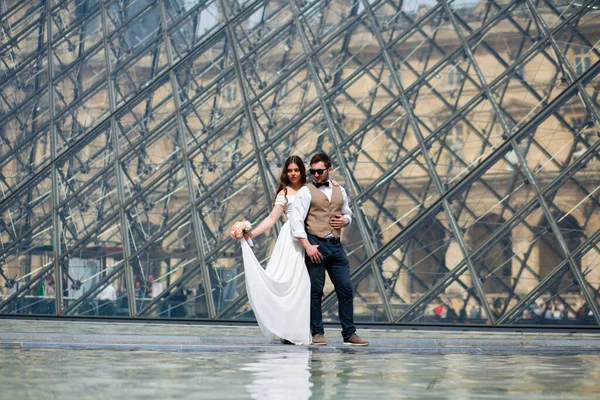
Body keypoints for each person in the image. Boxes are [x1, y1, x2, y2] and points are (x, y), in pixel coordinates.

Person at [290, 153, 369, 346]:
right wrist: (308, 246)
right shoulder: (305, 191)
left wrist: (345, 220)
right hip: (317, 245)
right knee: (316, 291)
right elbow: (296, 221)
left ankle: (349, 333)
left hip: (336, 245)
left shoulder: (339, 189)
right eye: (313, 171)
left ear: (329, 169)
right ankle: (317, 333)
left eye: (319, 171)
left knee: (346, 289)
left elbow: (348, 213)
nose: (315, 175)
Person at [240, 155, 312, 345]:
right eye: (290, 171)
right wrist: (251, 234)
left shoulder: (311, 188)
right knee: (292, 283)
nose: (293, 173)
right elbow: (272, 219)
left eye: (296, 170)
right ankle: (289, 331)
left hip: (311, 234)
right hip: (291, 241)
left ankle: (299, 330)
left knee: (304, 285)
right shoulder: (284, 193)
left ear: (302, 171)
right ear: (285, 173)